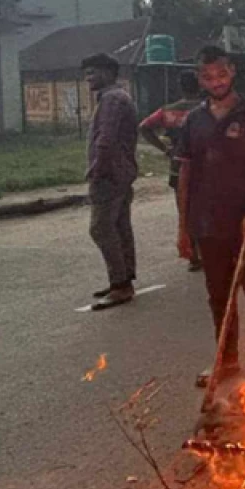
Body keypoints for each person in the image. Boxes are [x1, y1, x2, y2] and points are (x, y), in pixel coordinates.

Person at [176, 46, 245, 382]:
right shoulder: (194, 121)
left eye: (221, 74)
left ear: (232, 72)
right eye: (208, 76)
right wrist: (184, 228)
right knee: (219, 295)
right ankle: (227, 359)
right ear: (200, 79)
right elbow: (185, 175)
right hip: (208, 226)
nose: (216, 81)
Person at [83, 53, 139, 311]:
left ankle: (120, 284)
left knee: (101, 228)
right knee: (119, 226)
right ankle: (123, 279)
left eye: (92, 72)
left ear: (108, 73)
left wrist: (96, 171)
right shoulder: (117, 97)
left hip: (110, 174)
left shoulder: (112, 99)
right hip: (122, 172)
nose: (88, 78)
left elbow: (105, 139)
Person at [139, 71, 203, 271]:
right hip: (207, 167)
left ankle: (193, 256)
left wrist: (165, 149)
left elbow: (144, 127)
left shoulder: (168, 112)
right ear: (200, 86)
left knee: (185, 210)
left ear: (181, 88)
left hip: (178, 165)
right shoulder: (208, 109)